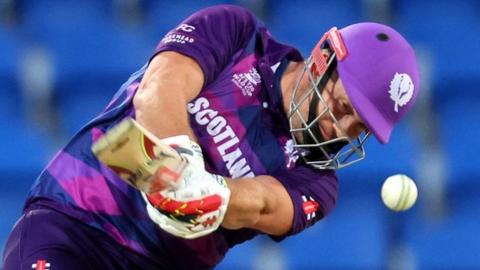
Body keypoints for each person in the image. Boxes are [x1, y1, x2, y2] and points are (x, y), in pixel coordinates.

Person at [2, 4, 419, 270]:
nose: (343, 130)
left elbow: (262, 206)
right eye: (345, 108)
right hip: (76, 223)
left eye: (359, 128)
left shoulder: (321, 183)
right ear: (323, 59)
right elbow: (158, 89)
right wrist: (180, 164)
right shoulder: (237, 34)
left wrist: (210, 196)